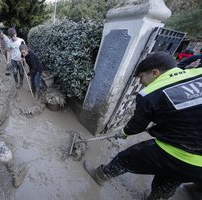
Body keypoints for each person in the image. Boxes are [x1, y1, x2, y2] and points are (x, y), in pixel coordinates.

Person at [83, 51, 202, 200]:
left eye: (141, 77)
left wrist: (124, 132)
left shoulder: (150, 93)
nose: (140, 82)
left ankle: (101, 175)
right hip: (199, 168)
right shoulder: (198, 73)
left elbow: (137, 126)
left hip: (178, 151)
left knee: (125, 158)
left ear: (154, 72)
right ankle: (157, 197)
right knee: (173, 175)